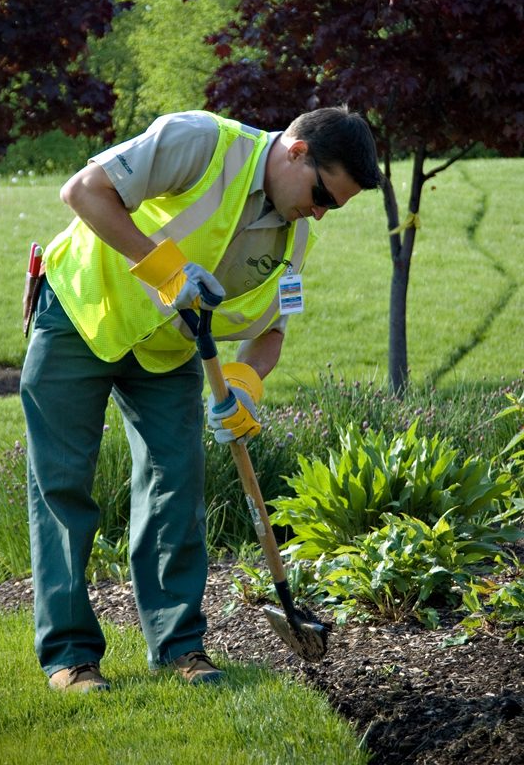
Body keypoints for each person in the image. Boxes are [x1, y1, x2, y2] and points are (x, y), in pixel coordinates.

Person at [20, 105, 381, 691]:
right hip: (82, 313)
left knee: (176, 485)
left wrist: (245, 384)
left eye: (332, 207)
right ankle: (70, 657)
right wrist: (165, 269)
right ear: (296, 151)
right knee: (62, 485)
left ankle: (179, 648)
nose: (320, 212)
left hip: (166, 353)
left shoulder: (295, 234)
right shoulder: (201, 141)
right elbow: (83, 191)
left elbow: (271, 331)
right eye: (322, 195)